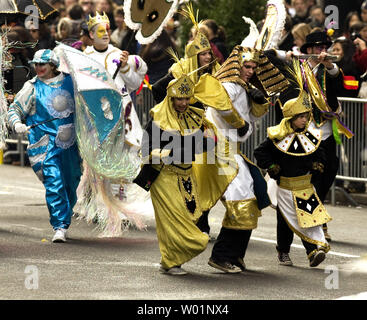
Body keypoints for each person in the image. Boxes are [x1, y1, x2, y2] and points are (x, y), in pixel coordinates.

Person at [133, 71, 239, 275]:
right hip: (163, 177)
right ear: (170, 98)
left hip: (187, 176)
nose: (183, 103)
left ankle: (169, 260)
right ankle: (171, 261)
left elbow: (205, 144)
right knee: (174, 222)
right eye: (178, 98)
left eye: (186, 98)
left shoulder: (195, 117)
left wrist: (209, 141)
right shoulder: (158, 119)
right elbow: (145, 151)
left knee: (191, 218)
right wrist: (172, 152)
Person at [205, 45, 285, 273]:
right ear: (236, 66)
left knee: (258, 196)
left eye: (253, 67)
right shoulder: (227, 86)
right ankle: (221, 256)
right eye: (246, 66)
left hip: (234, 152)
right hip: (220, 152)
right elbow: (221, 107)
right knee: (241, 204)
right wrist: (240, 123)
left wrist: (258, 100)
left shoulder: (244, 87)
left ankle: (236, 254)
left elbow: (255, 115)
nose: (250, 71)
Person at [268, 30, 353, 242]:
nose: (321, 51)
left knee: (329, 170)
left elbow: (338, 79)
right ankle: (299, 227)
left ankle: (318, 217)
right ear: (308, 49)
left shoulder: (330, 69)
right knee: (302, 177)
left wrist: (329, 65)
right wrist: (285, 55)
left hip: (325, 131)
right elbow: (267, 56)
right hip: (302, 132)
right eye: (317, 47)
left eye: (325, 47)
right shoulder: (297, 67)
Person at [254, 64, 332, 267]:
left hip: (306, 186)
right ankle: (283, 251)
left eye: (306, 115)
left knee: (312, 217)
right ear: (291, 118)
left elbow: (321, 154)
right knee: (286, 222)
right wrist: (271, 166)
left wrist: (318, 165)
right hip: (285, 187)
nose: (304, 119)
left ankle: (314, 250)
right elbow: (260, 152)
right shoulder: (277, 136)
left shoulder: (312, 136)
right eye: (300, 116)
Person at [7, 49, 82, 243]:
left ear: (53, 65)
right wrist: (17, 124)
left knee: (70, 184)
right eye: (36, 64)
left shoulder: (72, 82)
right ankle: (59, 226)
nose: (38, 68)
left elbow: (87, 106)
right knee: (54, 182)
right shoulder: (31, 87)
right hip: (45, 145)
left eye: (43, 64)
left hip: (71, 146)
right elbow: (14, 109)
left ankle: (64, 218)